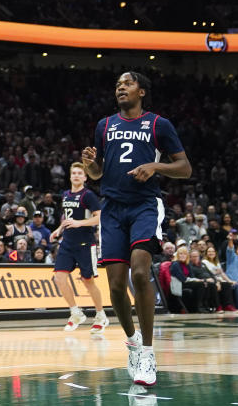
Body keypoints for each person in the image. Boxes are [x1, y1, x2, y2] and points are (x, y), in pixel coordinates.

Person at [81, 71, 191, 386]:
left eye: (127, 83)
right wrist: (90, 166)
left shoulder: (159, 125)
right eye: (117, 84)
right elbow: (99, 173)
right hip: (112, 209)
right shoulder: (104, 125)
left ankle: (148, 353)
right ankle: (132, 340)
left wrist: (155, 166)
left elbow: (184, 168)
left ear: (141, 91)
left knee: (140, 273)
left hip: (144, 205)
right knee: (115, 287)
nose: (120, 87)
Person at [51, 162, 107, 333]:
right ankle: (75, 312)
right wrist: (59, 229)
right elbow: (66, 216)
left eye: (79, 173)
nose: (76, 175)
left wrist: (78, 223)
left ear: (85, 177)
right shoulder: (66, 195)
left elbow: (99, 218)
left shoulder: (88, 196)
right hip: (67, 242)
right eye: (73, 172)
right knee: (59, 278)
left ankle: (101, 315)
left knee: (87, 280)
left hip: (85, 243)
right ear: (70, 176)